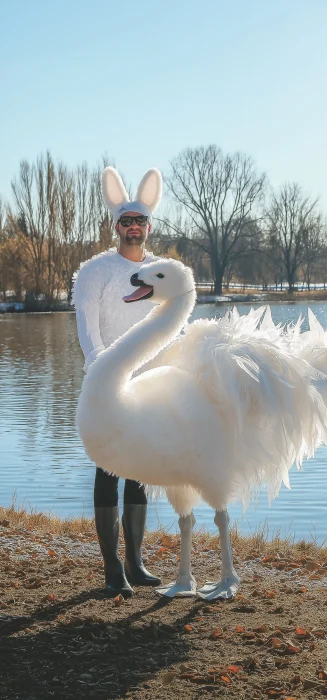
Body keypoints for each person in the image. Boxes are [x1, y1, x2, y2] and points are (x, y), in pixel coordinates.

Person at [72, 166, 163, 597]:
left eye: (139, 221)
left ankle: (136, 562)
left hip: (148, 385)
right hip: (107, 380)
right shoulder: (96, 272)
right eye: (126, 221)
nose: (133, 228)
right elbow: (87, 325)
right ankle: (112, 569)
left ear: (149, 225)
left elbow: (171, 326)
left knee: (140, 469)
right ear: (116, 227)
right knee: (108, 466)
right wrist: (100, 366)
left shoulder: (163, 272)